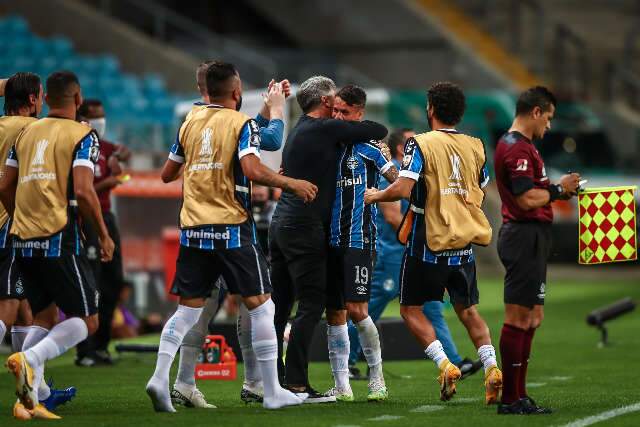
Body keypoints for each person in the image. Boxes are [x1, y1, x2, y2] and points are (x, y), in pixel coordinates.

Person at [145, 60, 317, 411]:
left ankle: (161, 379)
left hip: (193, 228)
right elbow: (256, 165)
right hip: (231, 228)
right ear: (237, 93)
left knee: (187, 311)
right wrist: (291, 183)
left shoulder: (189, 122)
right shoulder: (240, 123)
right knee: (262, 307)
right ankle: (270, 391)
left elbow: (166, 174)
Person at [365, 82, 502, 404]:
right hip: (464, 242)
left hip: (429, 240)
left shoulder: (419, 145)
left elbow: (402, 188)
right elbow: (478, 183)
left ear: (431, 109)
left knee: (410, 309)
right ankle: (492, 368)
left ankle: (444, 364)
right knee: (468, 311)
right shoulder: (476, 145)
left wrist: (376, 195)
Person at [1, 70, 114, 419]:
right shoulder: (84, 134)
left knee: (45, 314)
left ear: (46, 99)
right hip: (58, 238)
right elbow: (82, 189)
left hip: (21, 238)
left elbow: (5, 185)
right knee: (88, 321)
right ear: (78, 100)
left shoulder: (27, 131)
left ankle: (28, 398)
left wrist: (22, 216)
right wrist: (104, 235)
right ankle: (32, 359)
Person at [269, 76, 387, 403]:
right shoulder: (324, 129)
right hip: (304, 227)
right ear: (325, 103)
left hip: (283, 223)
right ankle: (296, 384)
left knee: (280, 307)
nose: (338, 112)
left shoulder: (300, 130)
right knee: (311, 305)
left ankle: (267, 382)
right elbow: (376, 130)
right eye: (335, 105)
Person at [347, 128, 482, 380]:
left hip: (418, 252)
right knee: (368, 307)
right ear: (401, 147)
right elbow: (391, 216)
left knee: (432, 307)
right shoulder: (392, 173)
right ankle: (347, 360)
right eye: (412, 139)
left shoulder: (418, 169)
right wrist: (426, 235)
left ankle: (453, 362)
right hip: (394, 254)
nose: (418, 142)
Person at [494, 86, 579, 415]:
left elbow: (535, 193)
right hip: (523, 237)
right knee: (518, 316)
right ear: (536, 112)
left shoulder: (524, 146)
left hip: (533, 237)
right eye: (549, 118)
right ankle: (510, 399)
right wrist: (558, 190)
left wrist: (559, 191)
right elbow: (526, 198)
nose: (550, 126)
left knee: (532, 317)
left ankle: (519, 395)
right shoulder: (516, 149)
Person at [323, 85, 397, 402]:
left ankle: (376, 378)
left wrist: (387, 187)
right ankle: (342, 385)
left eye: (345, 112)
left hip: (359, 240)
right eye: (335, 111)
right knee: (334, 312)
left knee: (357, 310)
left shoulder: (370, 148)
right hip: (329, 240)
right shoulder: (327, 145)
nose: (338, 117)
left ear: (359, 114)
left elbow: (397, 179)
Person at [74, 98, 131, 367]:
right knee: (91, 282)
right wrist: (107, 182)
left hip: (107, 217)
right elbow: (80, 193)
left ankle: (102, 345)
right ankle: (85, 349)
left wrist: (121, 155)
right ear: (82, 118)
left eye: (103, 116)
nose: (100, 121)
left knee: (113, 281)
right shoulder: (75, 145)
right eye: (95, 116)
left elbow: (123, 153)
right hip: (85, 219)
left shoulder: (103, 147)